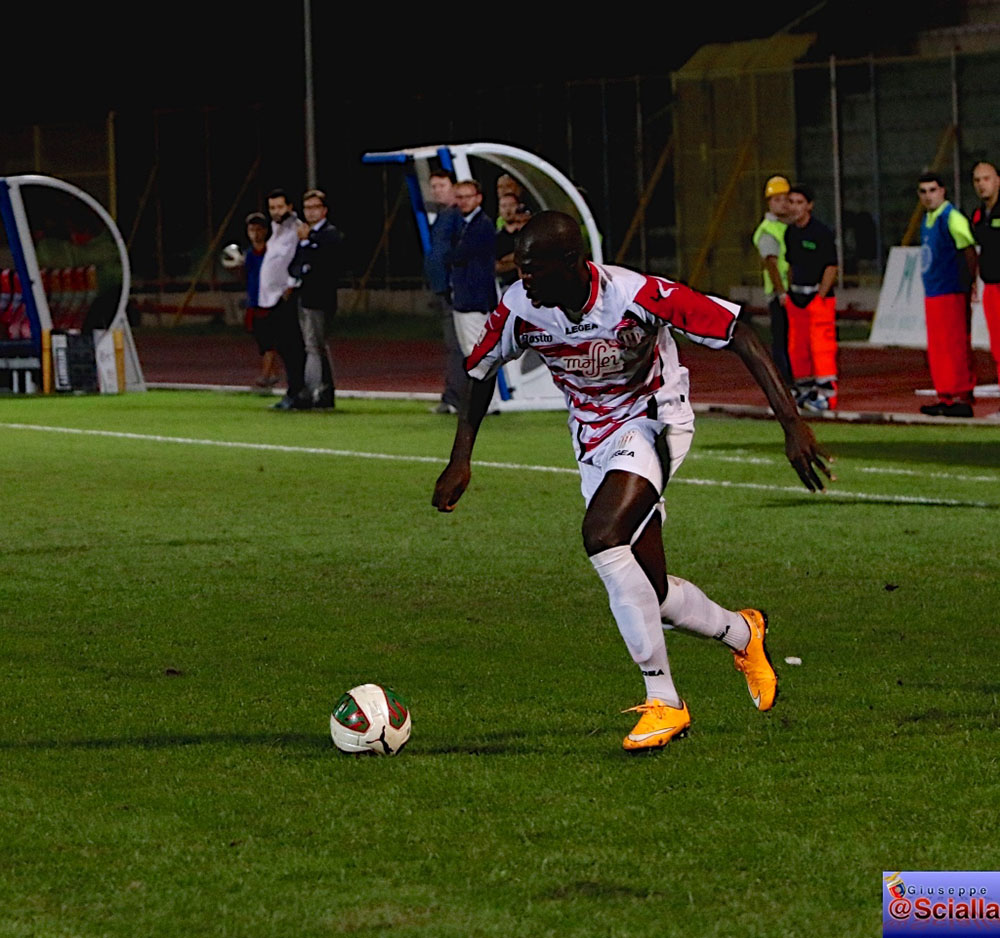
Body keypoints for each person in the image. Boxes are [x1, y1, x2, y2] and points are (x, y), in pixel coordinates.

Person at [432, 211, 832, 752]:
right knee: (653, 591)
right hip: (593, 441)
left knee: (602, 535)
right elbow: (479, 372)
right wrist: (462, 460)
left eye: (533, 270)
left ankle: (665, 702)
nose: (523, 281)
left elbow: (738, 329)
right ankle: (744, 632)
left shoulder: (635, 295)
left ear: (571, 264)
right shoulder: (523, 309)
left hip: (656, 420)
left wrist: (791, 421)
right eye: (520, 270)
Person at [916, 172, 978, 418]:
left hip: (951, 290)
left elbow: (969, 251)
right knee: (939, 347)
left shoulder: (952, 218)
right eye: (923, 191)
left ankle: (961, 395)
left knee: (955, 344)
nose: (928, 196)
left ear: (943, 191)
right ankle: (945, 394)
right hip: (935, 291)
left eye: (932, 190)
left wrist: (968, 283)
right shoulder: (928, 219)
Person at [783, 184, 839, 412]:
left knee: (821, 347)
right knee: (797, 347)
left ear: (809, 206)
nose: (794, 207)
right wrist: (789, 292)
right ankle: (804, 389)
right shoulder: (791, 233)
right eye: (791, 202)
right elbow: (790, 264)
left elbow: (831, 266)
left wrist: (821, 296)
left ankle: (827, 394)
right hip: (796, 297)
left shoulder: (821, 233)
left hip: (817, 298)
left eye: (799, 202)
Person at [445, 179, 500, 412]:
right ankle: (484, 399)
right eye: (459, 197)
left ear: (478, 198)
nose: (463, 202)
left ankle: (489, 401)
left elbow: (457, 255)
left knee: (478, 351)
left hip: (474, 300)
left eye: (467, 197)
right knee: (474, 351)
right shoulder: (467, 224)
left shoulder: (481, 225)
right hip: (467, 299)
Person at [289, 188, 343, 410]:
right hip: (305, 297)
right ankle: (322, 391)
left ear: (324, 210)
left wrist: (308, 240)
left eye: (315, 208)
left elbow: (324, 262)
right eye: (307, 208)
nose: (310, 213)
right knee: (315, 345)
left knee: (314, 345)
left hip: (320, 298)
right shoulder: (306, 237)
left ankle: (314, 391)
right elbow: (295, 266)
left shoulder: (329, 234)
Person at [259, 188, 310, 411]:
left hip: (285, 297)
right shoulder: (277, 229)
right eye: (272, 208)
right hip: (271, 299)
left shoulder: (297, 228)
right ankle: (294, 391)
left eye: (280, 207)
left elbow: (301, 258)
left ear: (289, 207)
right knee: (283, 348)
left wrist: (292, 284)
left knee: (293, 348)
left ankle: (298, 393)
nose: (276, 212)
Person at [424, 170, 465, 415]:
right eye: (434, 186)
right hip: (442, 289)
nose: (436, 190)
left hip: (454, 290)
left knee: (459, 345)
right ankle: (452, 396)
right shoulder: (442, 216)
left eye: (441, 185)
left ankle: (457, 397)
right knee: (453, 345)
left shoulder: (458, 217)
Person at [751, 175, 793, 386]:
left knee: (788, 337)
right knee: (782, 338)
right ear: (769, 202)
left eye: (786, 199)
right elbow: (772, 264)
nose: (783, 203)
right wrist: (781, 292)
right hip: (781, 293)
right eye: (777, 199)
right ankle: (783, 380)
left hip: (789, 290)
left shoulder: (786, 226)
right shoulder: (769, 230)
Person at [970, 161, 1000, 418]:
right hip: (991, 286)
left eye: (986, 178)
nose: (982, 184)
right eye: (978, 180)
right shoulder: (979, 215)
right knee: (998, 346)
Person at [239, 212, 281, 389]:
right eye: (251, 230)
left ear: (265, 231)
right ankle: (274, 373)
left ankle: (265, 376)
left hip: (270, 302)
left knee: (269, 342)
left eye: (258, 229)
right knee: (262, 342)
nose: (255, 234)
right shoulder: (248, 255)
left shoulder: (272, 252)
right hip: (254, 302)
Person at [495, 192, 529, 291]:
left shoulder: (529, 235)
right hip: (507, 287)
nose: (508, 210)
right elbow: (496, 267)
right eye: (504, 206)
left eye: (511, 205)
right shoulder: (496, 238)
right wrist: (520, 258)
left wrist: (508, 259)